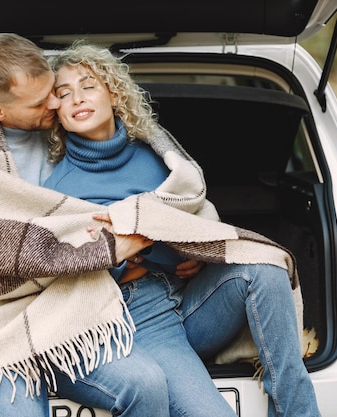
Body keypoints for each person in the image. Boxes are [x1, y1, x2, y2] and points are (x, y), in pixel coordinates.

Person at [43, 41, 321, 417]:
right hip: (139, 314)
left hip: (192, 299)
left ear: (113, 92)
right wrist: (146, 251)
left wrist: (195, 254)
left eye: (88, 85)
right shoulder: (60, 188)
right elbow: (67, 269)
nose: (77, 98)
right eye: (64, 93)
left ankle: (295, 409)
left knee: (266, 266)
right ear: (56, 112)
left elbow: (193, 217)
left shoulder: (159, 158)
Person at [0, 33, 188, 417]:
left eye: (53, 90)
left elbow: (143, 153)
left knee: (144, 384)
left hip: (73, 304)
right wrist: (112, 249)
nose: (55, 103)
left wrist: (184, 246)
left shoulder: (65, 119)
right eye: (39, 101)